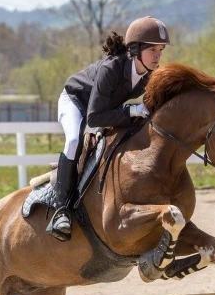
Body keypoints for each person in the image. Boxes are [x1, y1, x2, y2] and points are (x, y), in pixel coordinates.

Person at [46, 16, 171, 242]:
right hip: (76, 102)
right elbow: (94, 118)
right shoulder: (111, 69)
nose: (157, 56)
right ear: (136, 49)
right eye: (152, 50)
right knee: (74, 140)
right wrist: (131, 111)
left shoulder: (149, 75)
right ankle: (61, 210)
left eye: (160, 50)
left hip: (104, 107)